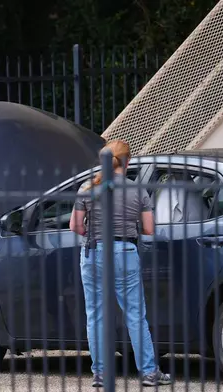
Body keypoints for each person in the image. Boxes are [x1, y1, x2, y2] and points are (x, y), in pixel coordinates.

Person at [69, 139, 171, 387]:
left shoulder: (87, 188)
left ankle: (100, 374)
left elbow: (75, 226)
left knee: (95, 316)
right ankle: (148, 372)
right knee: (135, 315)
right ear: (127, 162)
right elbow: (148, 228)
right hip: (124, 251)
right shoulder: (137, 189)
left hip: (93, 253)